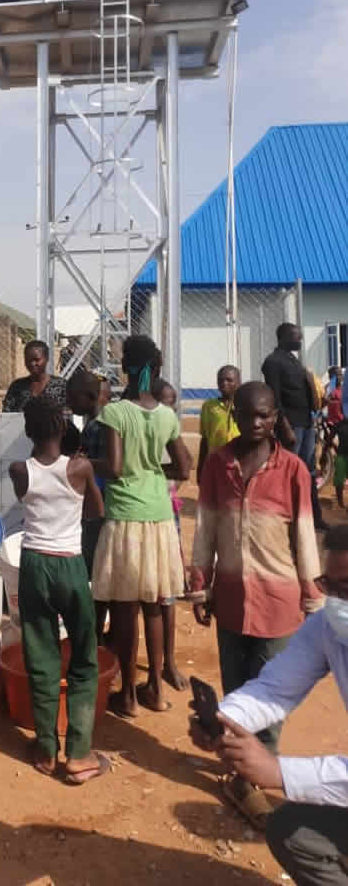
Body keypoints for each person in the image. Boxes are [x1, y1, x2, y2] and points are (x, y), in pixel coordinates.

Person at [190, 381, 322, 829]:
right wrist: (199, 584)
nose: (256, 423)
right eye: (248, 415)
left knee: (272, 696)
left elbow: (304, 538)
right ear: (235, 414)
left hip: (278, 603)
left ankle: (255, 777)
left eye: (264, 415)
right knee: (237, 691)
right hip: (229, 600)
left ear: (275, 414)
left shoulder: (294, 471)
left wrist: (313, 596)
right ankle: (240, 772)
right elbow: (206, 528)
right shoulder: (217, 465)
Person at [189, 524, 348, 886]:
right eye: (330, 587)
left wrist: (279, 773)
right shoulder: (329, 626)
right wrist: (225, 717)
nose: (337, 600)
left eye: (347, 587)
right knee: (293, 833)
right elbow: (275, 688)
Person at [91, 334, 192, 717]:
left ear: (124, 369)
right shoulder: (166, 415)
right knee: (154, 602)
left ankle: (129, 695)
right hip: (159, 515)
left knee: (124, 607)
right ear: (155, 368)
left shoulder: (115, 413)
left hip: (125, 516)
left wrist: (84, 465)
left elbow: (114, 468)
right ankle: (155, 690)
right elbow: (183, 467)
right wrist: (152, 470)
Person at [8, 398, 106, 783]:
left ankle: (46, 749)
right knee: (83, 654)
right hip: (68, 562)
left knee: (41, 653)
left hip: (34, 563)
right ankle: (79, 754)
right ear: (64, 428)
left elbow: (27, 499)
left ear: (28, 431)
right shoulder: (80, 467)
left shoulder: (20, 471)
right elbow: (96, 510)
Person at [63, 370, 111, 629]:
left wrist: (81, 465)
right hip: (96, 504)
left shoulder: (100, 425)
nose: (69, 403)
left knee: (95, 570)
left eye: (73, 397)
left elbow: (107, 467)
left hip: (99, 506)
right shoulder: (93, 423)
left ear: (90, 396)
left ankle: (95, 632)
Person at [262, 324, 322, 527]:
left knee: (309, 470)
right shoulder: (273, 362)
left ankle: (314, 516)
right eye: (297, 337)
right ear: (284, 337)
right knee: (288, 470)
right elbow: (275, 397)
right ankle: (289, 516)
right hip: (291, 425)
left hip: (305, 423)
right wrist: (284, 425)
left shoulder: (293, 360)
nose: (300, 340)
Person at [152, 378, 189, 693]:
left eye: (173, 403)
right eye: (164, 401)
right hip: (142, 514)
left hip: (167, 515)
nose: (169, 408)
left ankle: (169, 662)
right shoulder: (144, 430)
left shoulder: (171, 434)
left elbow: (184, 468)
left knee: (167, 593)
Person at [197, 365, 241, 481]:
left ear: (239, 382)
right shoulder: (209, 406)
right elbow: (205, 439)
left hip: (239, 461)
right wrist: (200, 467)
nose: (224, 383)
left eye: (229, 380)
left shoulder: (245, 405)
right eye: (220, 380)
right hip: (216, 461)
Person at [2, 340, 67, 414]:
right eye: (28, 360)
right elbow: (7, 415)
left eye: (37, 360)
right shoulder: (17, 386)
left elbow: (69, 415)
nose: (32, 364)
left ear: (47, 359)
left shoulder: (61, 386)